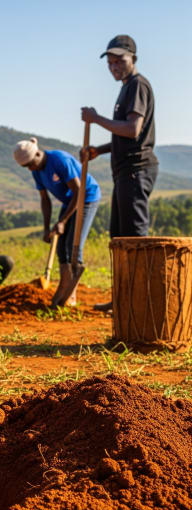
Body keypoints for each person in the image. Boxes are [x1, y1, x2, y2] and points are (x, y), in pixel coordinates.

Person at [80, 35, 158, 311]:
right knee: (119, 237)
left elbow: (133, 130)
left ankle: (142, 302)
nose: (114, 66)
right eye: (110, 62)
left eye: (119, 61)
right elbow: (124, 136)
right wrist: (98, 151)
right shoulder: (127, 87)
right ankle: (123, 299)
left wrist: (96, 119)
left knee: (134, 239)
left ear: (133, 59)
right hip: (125, 172)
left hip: (136, 171)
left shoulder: (137, 85)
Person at [13, 137, 100, 306]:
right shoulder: (36, 171)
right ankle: (65, 285)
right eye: (26, 167)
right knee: (60, 246)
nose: (30, 168)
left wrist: (63, 221)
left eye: (31, 164)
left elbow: (78, 191)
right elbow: (45, 200)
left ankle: (71, 295)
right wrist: (47, 228)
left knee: (73, 245)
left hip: (86, 198)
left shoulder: (59, 160)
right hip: (69, 202)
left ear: (38, 153)